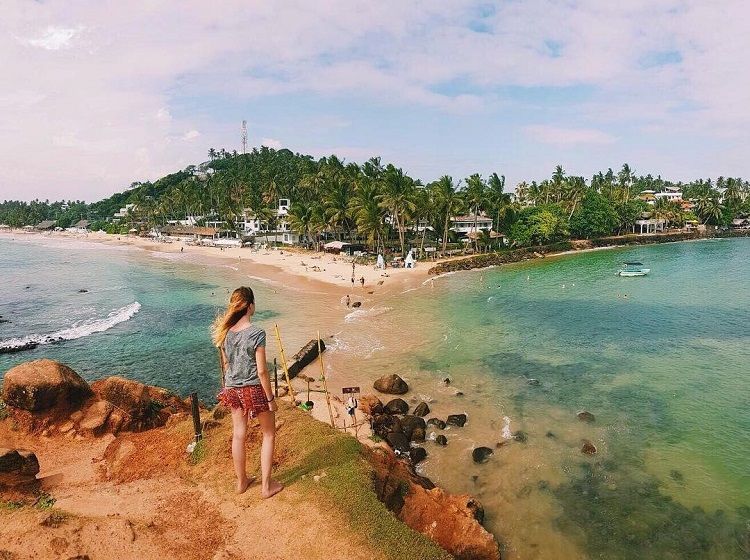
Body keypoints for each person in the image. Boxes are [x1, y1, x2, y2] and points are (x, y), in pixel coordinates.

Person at [212, 287, 283, 499]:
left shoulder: (225, 333)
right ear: (250, 306)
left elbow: (226, 365)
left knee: (238, 435)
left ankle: (242, 482)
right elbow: (262, 371)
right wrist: (270, 399)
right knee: (269, 434)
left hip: (233, 389)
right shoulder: (257, 333)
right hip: (254, 389)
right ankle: (266, 487)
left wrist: (230, 385)